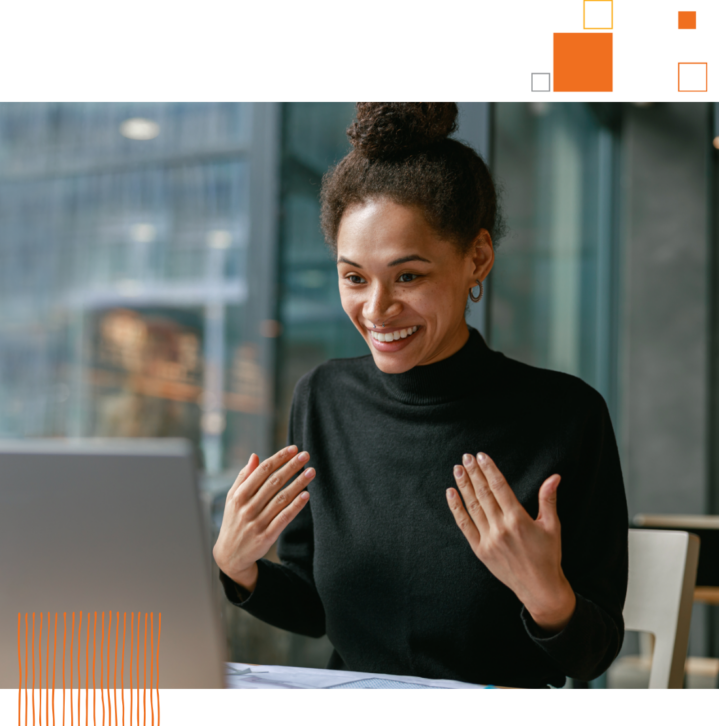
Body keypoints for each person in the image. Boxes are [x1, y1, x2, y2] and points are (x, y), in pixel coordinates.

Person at [212, 101, 628, 689]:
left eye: (408, 276)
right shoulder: (323, 398)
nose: (377, 310)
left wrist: (547, 595)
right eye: (354, 277)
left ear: (476, 258)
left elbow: (592, 655)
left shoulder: (566, 416)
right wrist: (238, 568)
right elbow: (314, 608)